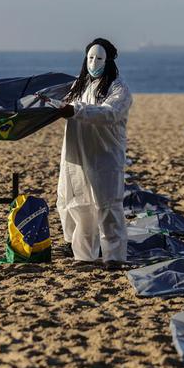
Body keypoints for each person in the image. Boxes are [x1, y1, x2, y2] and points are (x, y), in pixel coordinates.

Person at [56, 38, 133, 269]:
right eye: (90, 57)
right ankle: (84, 255)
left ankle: (114, 257)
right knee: (80, 206)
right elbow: (64, 105)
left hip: (104, 156)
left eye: (99, 58)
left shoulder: (118, 88)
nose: (93, 62)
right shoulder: (79, 85)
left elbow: (109, 113)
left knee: (108, 206)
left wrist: (76, 110)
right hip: (77, 155)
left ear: (108, 61)